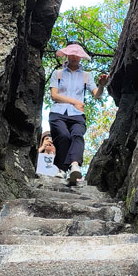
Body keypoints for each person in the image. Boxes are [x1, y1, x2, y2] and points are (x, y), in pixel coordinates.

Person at [48, 42, 109, 185]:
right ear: (67, 55)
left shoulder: (86, 76)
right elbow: (54, 95)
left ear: (81, 57)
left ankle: (74, 166)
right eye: (72, 54)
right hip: (58, 112)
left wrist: (102, 85)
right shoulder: (58, 73)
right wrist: (74, 102)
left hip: (77, 114)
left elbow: (96, 94)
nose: (74, 57)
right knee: (63, 136)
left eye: (77, 54)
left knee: (77, 134)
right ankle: (61, 169)